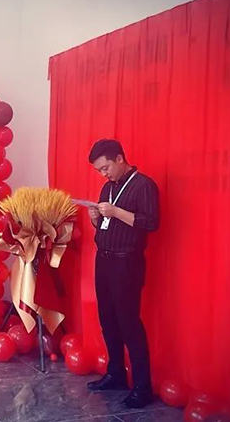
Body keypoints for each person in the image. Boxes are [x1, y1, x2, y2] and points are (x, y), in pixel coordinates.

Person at [85, 139, 159, 409]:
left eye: (105, 168)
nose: (103, 174)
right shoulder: (108, 187)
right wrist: (96, 218)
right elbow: (106, 226)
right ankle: (116, 373)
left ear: (119, 158)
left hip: (127, 262)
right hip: (104, 259)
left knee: (129, 323)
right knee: (107, 319)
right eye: (99, 171)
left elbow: (151, 223)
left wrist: (115, 211)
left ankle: (142, 387)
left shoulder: (144, 185)